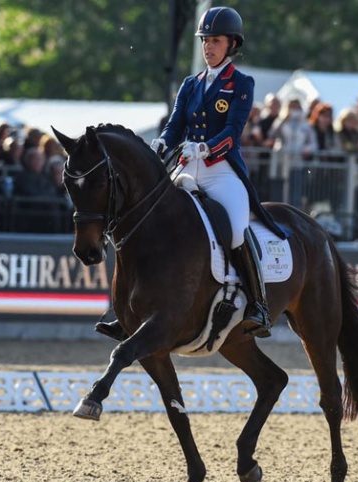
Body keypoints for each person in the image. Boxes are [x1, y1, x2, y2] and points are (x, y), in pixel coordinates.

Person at [99, 6, 283, 341]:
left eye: (215, 41)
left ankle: (258, 304)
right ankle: (124, 309)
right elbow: (175, 124)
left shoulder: (240, 83)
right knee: (146, 221)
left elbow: (233, 130)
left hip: (221, 171)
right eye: (205, 41)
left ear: (231, 44)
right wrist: (161, 143)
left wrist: (204, 147)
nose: (209, 47)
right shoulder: (190, 83)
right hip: (185, 168)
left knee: (238, 231)